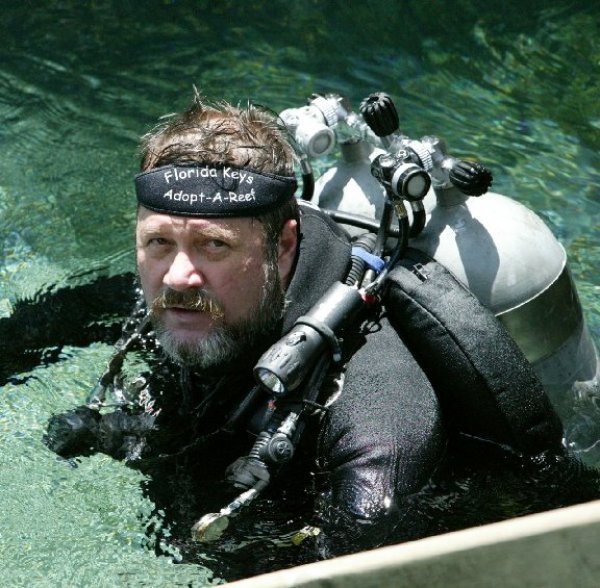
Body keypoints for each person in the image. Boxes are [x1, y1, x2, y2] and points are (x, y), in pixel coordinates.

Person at [44, 94, 567, 561]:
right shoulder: (189, 290)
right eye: (159, 242)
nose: (179, 276)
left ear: (284, 245)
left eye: (215, 246)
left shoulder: (379, 425)